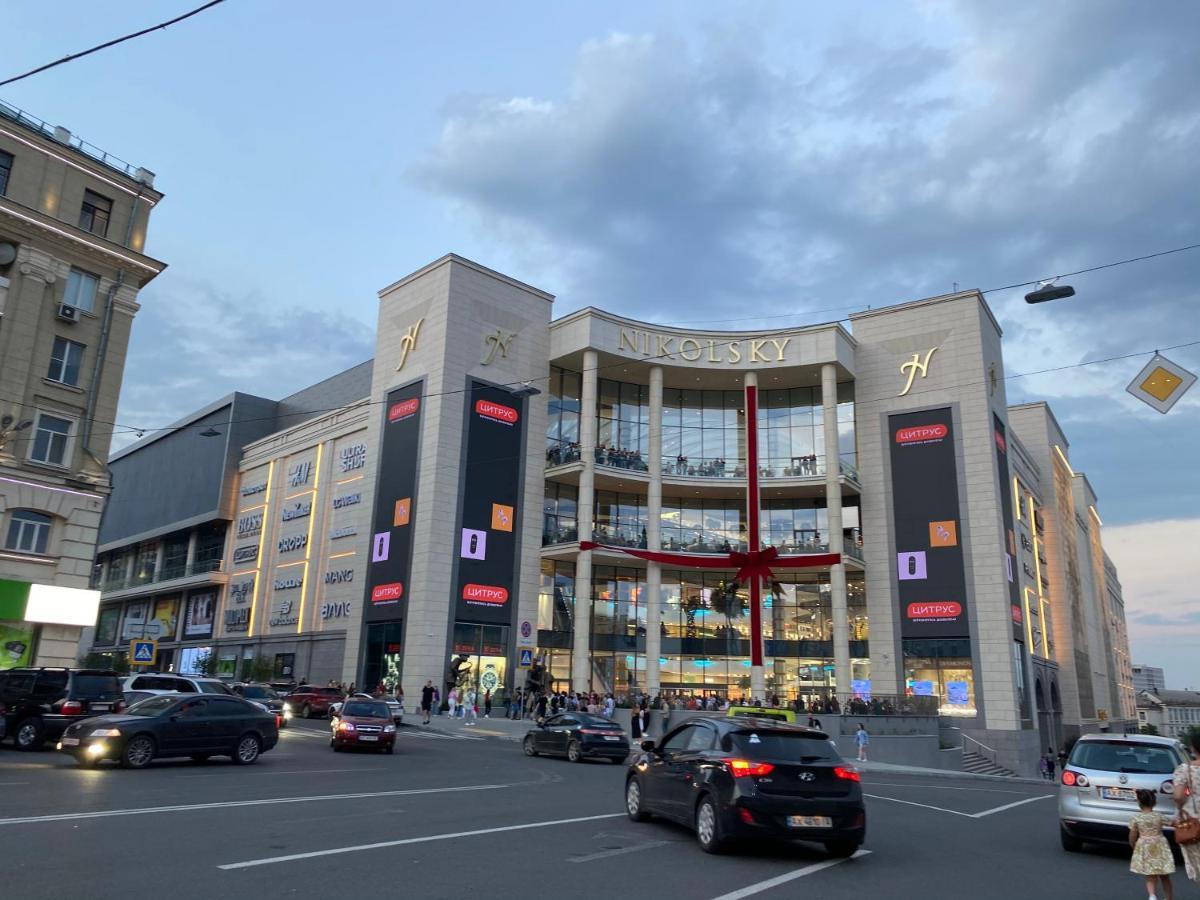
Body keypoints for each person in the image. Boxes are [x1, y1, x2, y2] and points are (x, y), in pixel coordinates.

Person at [1129, 788, 1175, 899]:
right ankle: (1168, 897)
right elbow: (1173, 823)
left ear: (1139, 802)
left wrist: (1133, 844)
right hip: (1160, 846)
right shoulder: (1159, 816)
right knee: (1165, 875)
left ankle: (1152, 895)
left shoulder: (1136, 818)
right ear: (1154, 802)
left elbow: (1132, 834)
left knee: (1150, 874)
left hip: (1145, 847)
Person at [1173, 730, 1200, 885]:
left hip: (1193, 823)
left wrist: (1181, 805)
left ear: (1193, 749)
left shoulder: (1185, 770)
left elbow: (1178, 795)